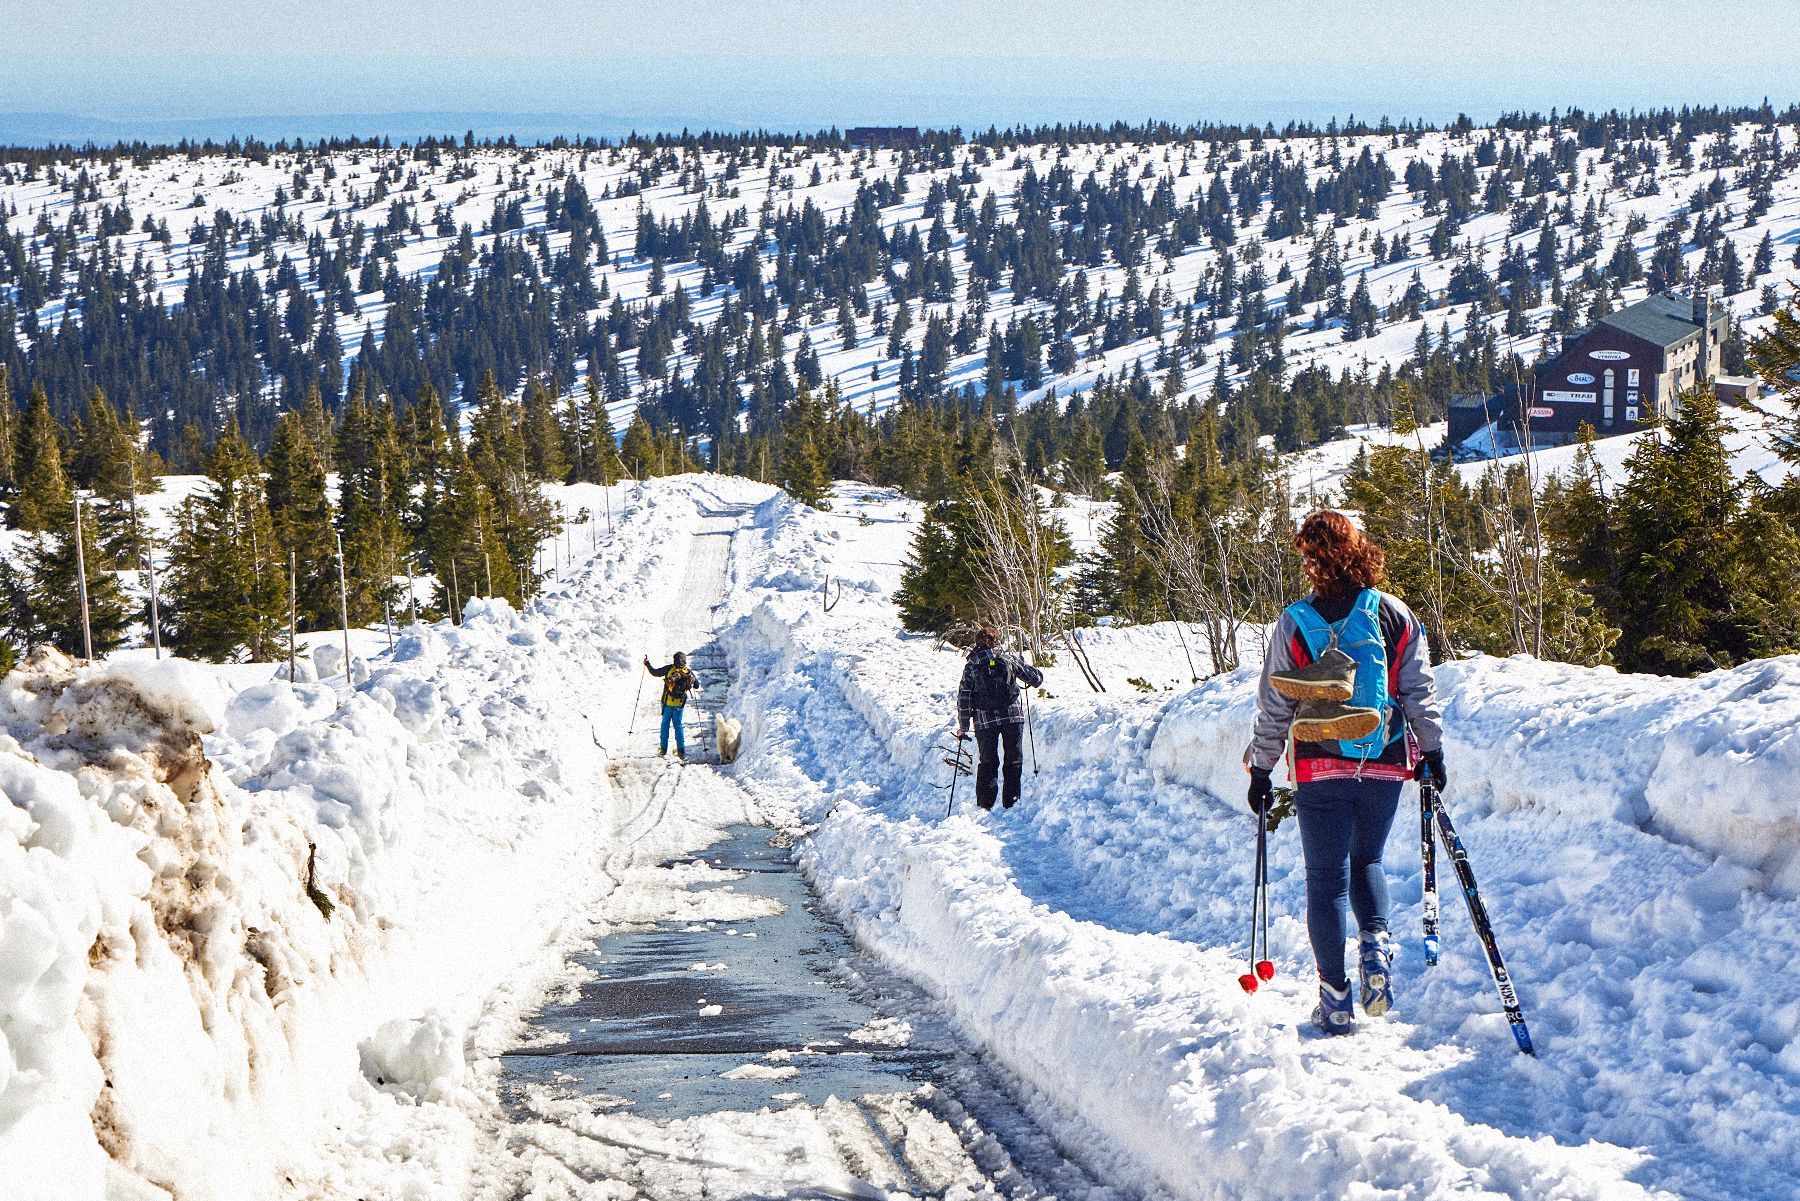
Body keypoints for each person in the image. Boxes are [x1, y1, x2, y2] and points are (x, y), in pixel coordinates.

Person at [1246, 510, 1444, 1036]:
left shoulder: (1294, 622)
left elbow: (1276, 706)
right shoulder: (1394, 613)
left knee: (1326, 879)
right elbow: (1417, 689)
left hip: (1319, 763)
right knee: (1368, 860)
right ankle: (1375, 946)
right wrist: (1432, 751)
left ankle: (1335, 998)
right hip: (1383, 756)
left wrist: (1261, 769)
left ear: (1311, 560)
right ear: (1359, 549)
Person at [955, 626, 1045, 811]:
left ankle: (985, 804)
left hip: (984, 721)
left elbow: (964, 696)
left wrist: (963, 726)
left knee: (988, 762)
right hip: (1012, 717)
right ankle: (1011, 802)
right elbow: (1035, 679)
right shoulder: (1008, 658)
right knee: (1013, 760)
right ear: (997, 640)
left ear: (977, 642)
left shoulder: (972, 665)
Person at [644, 652, 700, 758]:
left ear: (674, 660)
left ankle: (663, 749)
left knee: (665, 724)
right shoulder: (687, 671)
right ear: (685, 660)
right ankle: (681, 750)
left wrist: (647, 664)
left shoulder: (669, 669)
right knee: (678, 725)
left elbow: (655, 672)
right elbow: (697, 685)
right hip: (679, 703)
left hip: (667, 702)